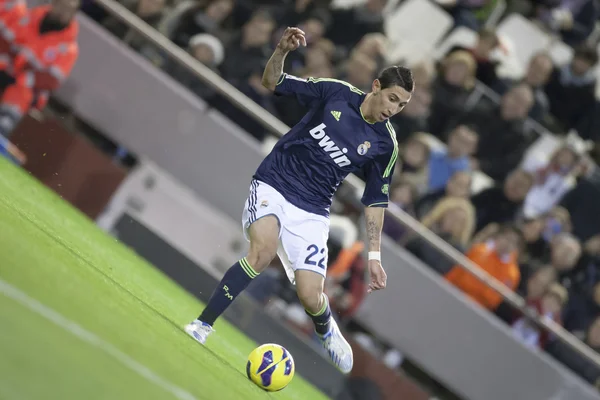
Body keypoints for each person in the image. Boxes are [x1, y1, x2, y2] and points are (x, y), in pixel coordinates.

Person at [185, 27, 414, 374]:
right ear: (377, 87)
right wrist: (280, 51)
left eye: (402, 105)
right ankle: (202, 325)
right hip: (275, 182)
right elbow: (273, 83)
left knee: (310, 296)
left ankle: (325, 326)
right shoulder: (335, 93)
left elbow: (376, 201)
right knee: (261, 252)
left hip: (313, 210)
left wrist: (374, 255)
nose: (394, 109)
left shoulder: (386, 145)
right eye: (393, 98)